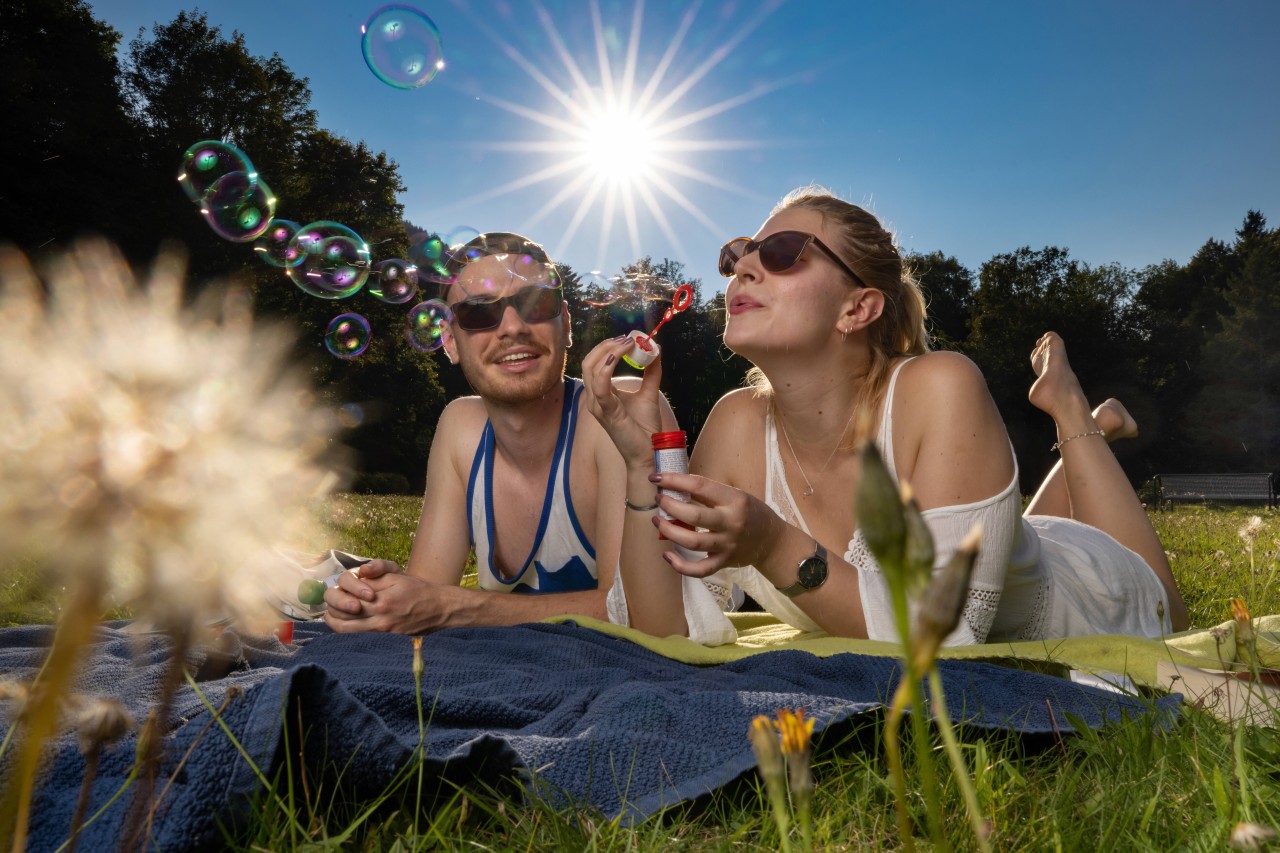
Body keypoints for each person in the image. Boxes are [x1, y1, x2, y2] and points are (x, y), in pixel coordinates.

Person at [581, 187, 1189, 645]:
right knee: (1021, 539)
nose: (743, 266)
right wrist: (640, 467)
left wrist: (770, 542)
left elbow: (938, 633)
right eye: (737, 254)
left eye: (783, 252)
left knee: (1165, 603)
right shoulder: (737, 423)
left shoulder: (939, 387)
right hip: (1005, 549)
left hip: (1089, 596)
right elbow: (665, 635)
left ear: (859, 307)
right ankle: (1077, 435)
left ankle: (1075, 412)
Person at [324, 232, 677, 634]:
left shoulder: (621, 412)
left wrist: (453, 608)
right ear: (449, 342)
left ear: (566, 324)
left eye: (534, 304)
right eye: (478, 312)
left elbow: (644, 616)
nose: (512, 326)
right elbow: (428, 597)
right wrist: (383, 599)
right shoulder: (460, 427)